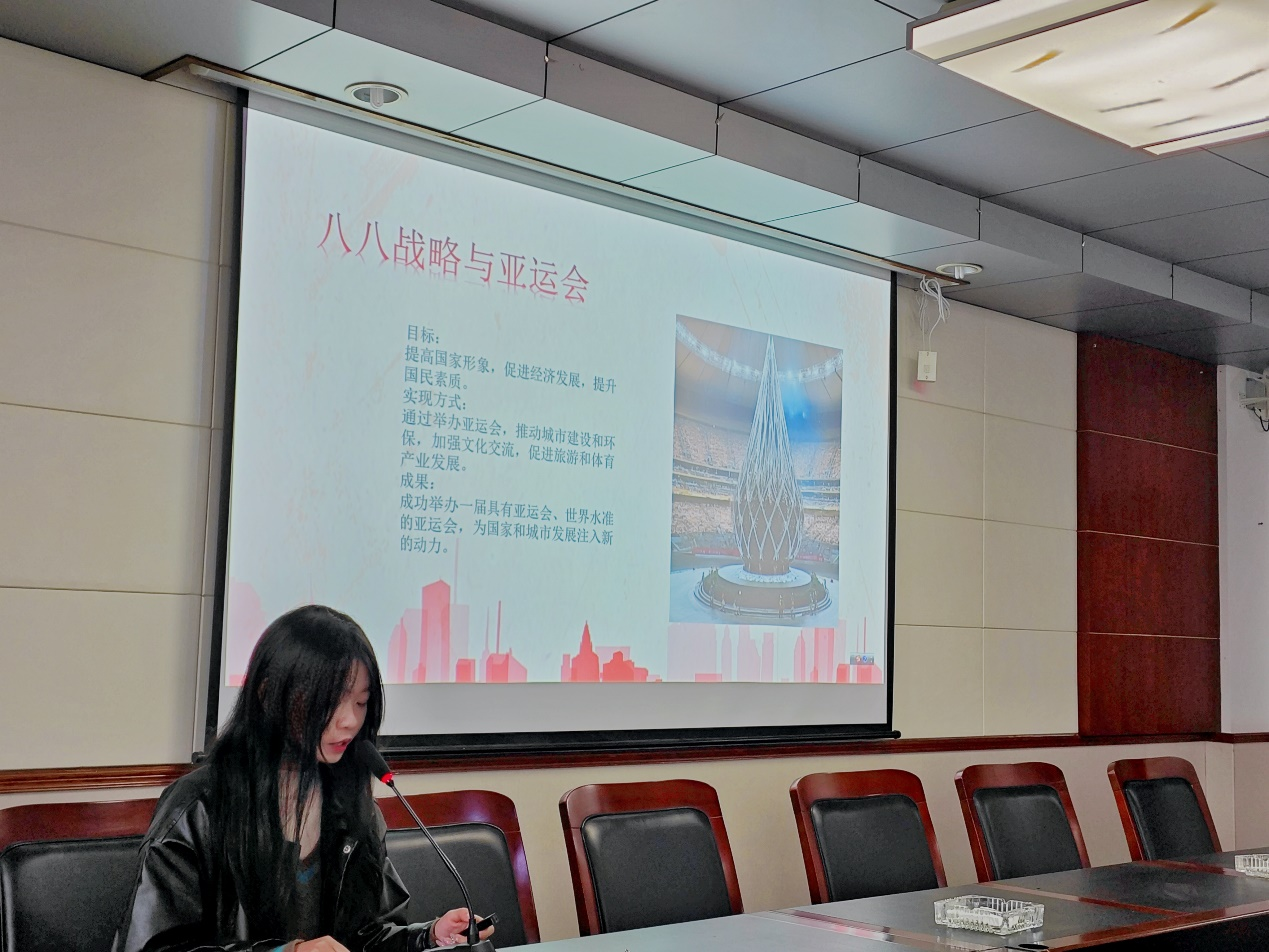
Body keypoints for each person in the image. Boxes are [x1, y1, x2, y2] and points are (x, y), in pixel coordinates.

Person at [113, 605, 494, 952]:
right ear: (268, 695)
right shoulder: (197, 808)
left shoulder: (352, 806)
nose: (350, 720)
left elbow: (366, 936)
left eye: (361, 702)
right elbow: (153, 949)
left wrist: (428, 937)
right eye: (331, 701)